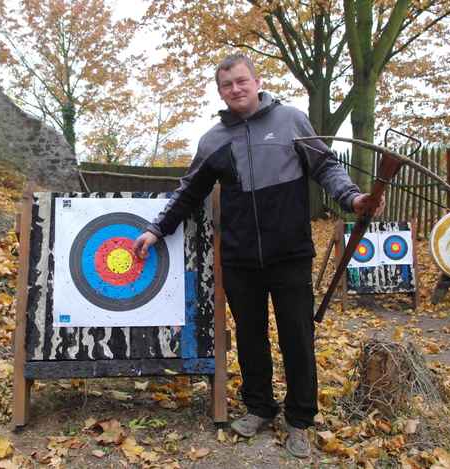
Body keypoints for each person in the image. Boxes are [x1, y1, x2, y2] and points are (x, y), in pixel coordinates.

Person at [133, 53, 382, 459]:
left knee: (297, 337)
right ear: (220, 92)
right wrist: (155, 229)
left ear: (257, 81)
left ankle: (299, 419)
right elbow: (189, 192)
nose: (235, 89)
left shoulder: (291, 121)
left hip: (290, 254)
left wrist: (353, 198)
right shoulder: (213, 140)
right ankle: (259, 408)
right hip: (240, 258)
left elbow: (326, 167)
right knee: (250, 338)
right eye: (227, 85)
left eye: (241, 81)